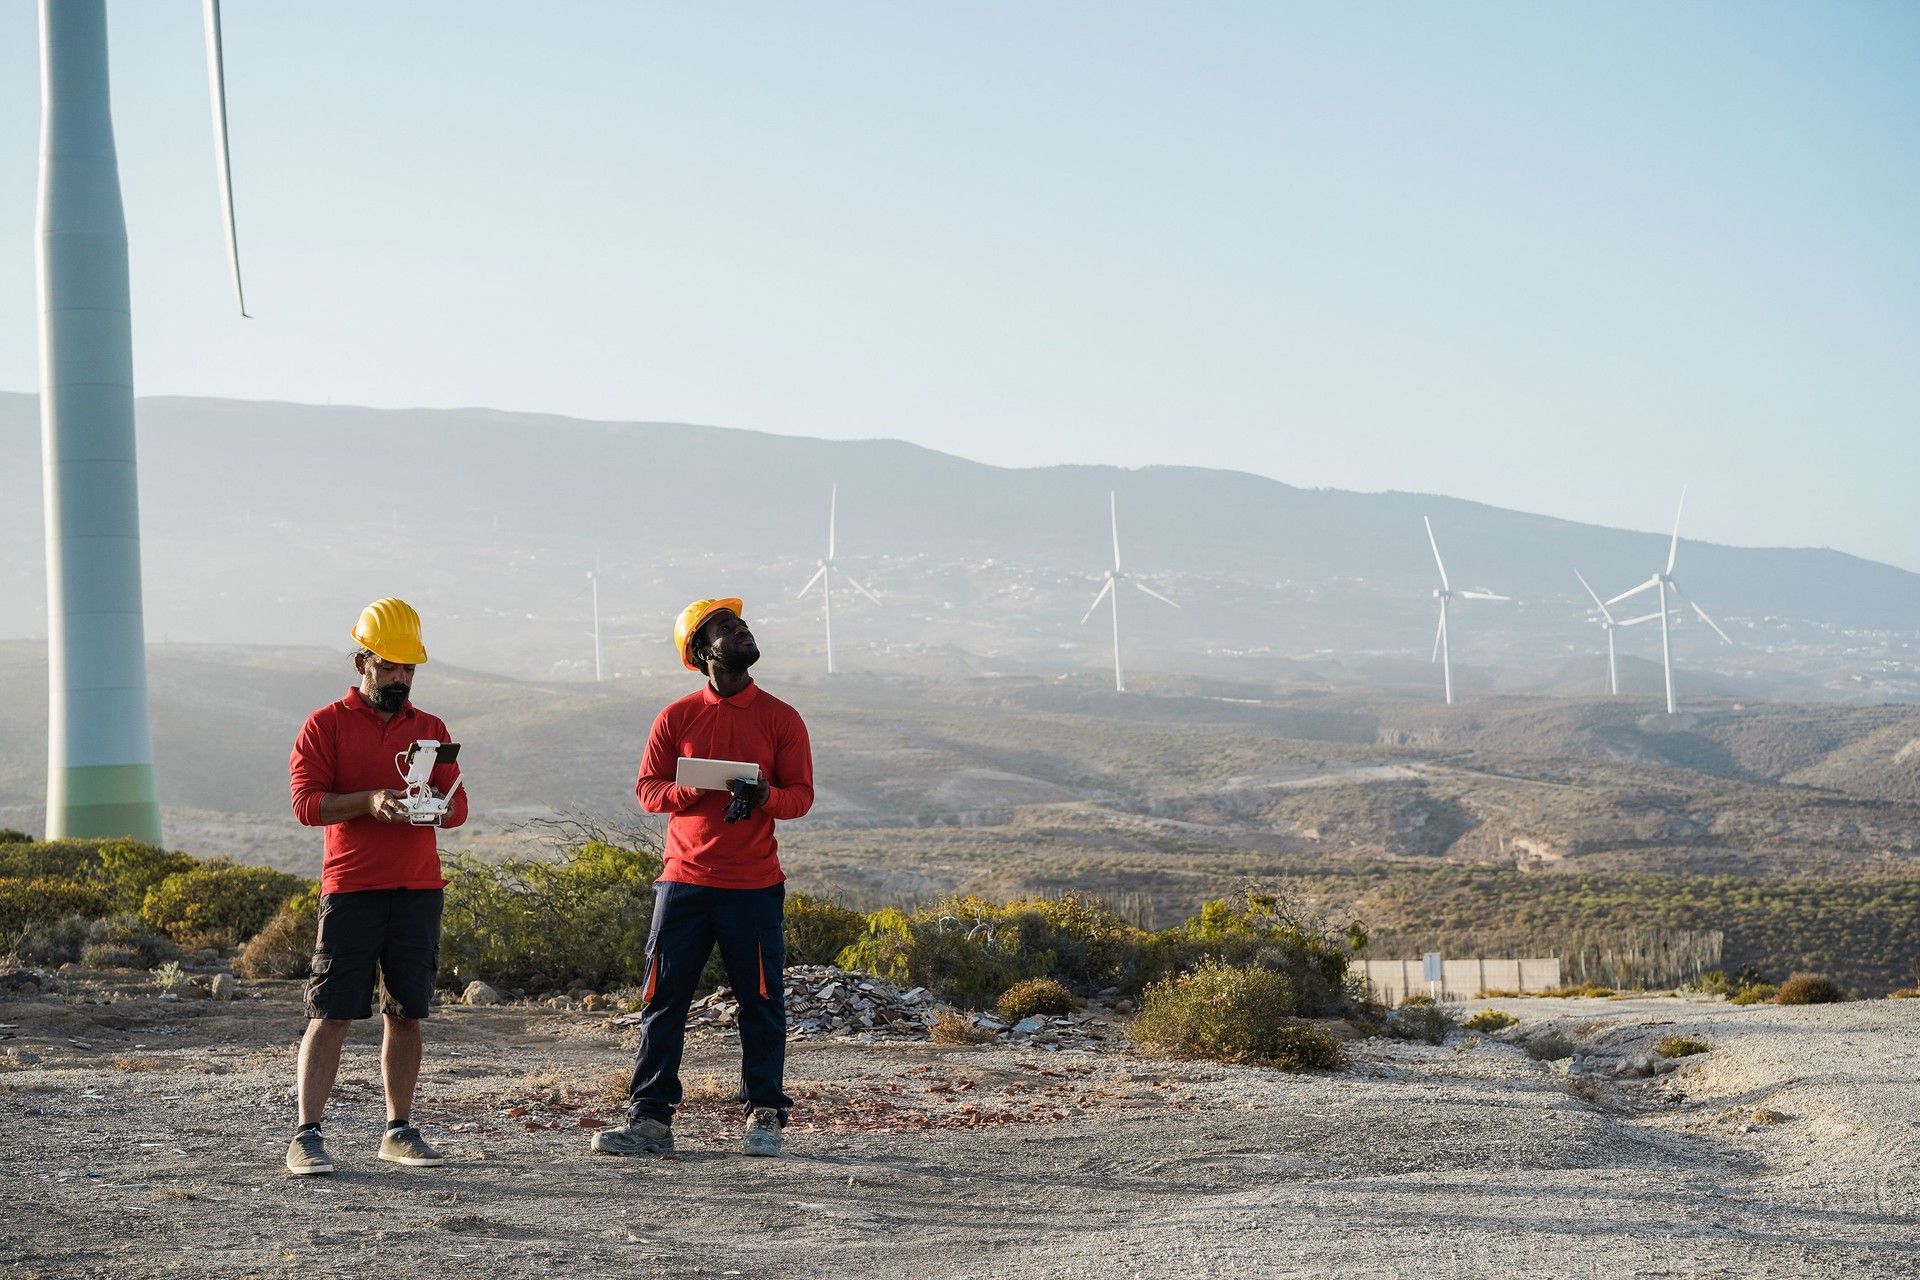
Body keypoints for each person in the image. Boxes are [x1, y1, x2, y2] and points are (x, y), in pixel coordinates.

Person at [592, 597, 814, 1159]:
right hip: (683, 884)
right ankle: (650, 1120)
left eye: (741, 623)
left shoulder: (782, 718)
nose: (742, 629)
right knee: (663, 1001)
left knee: (761, 1003)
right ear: (700, 651)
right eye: (726, 626)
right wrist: (697, 788)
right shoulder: (676, 717)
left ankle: (764, 1115)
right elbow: (649, 792)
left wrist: (764, 797)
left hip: (754, 887)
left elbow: (801, 798)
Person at [283, 597, 468, 1176]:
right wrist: (369, 801)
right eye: (389, 666)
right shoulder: (325, 725)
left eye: (409, 668)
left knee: (407, 1013)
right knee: (332, 1012)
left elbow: (459, 805)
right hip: (352, 890)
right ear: (362, 661)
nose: (401, 678)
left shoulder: (431, 729)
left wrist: (432, 808)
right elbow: (305, 804)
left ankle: (399, 1130)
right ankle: (306, 1135)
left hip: (418, 888)